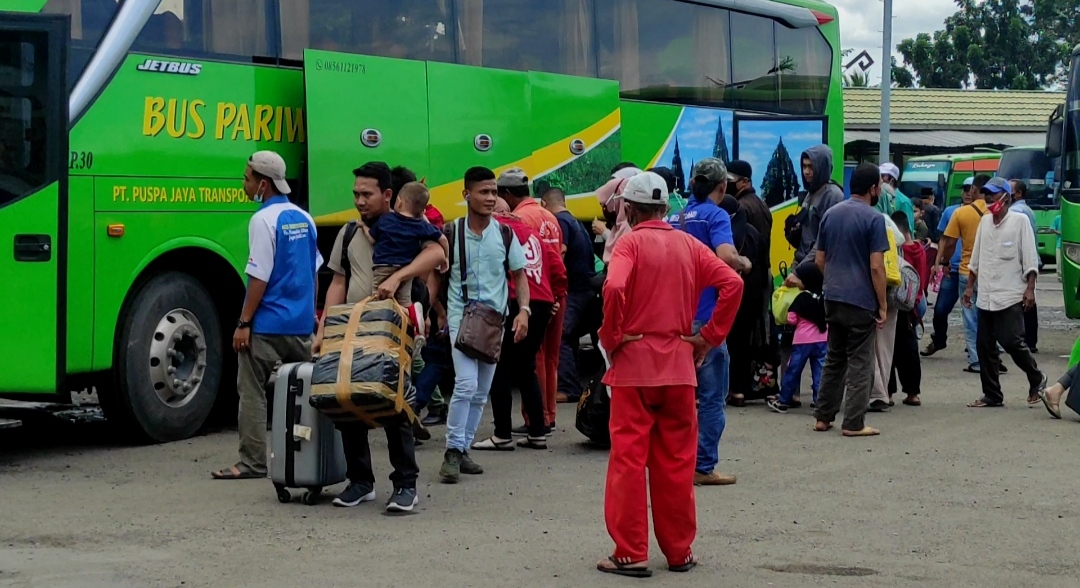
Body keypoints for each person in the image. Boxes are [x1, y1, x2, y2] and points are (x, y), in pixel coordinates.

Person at [596, 172, 743, 578]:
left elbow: (613, 289)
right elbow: (732, 282)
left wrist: (613, 335)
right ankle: (679, 551)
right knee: (678, 462)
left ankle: (630, 552)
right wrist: (707, 337)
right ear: (665, 208)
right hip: (680, 365)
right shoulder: (689, 245)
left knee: (628, 461)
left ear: (629, 207)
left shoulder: (630, 243)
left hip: (635, 368)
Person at [317, 161, 445, 513]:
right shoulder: (348, 233)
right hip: (351, 330)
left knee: (395, 405)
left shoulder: (412, 225)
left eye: (367, 194)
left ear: (388, 195)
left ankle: (405, 485)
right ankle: (361, 481)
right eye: (356, 194)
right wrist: (322, 330)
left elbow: (437, 252)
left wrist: (398, 276)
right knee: (347, 403)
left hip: (390, 330)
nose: (359, 200)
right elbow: (337, 283)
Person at [212, 151, 322, 481]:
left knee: (252, 392)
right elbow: (313, 272)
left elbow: (259, 276)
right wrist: (310, 316)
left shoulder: (262, 220)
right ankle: (310, 459)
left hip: (268, 326)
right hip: (301, 325)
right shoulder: (304, 217)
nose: (243, 185)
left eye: (247, 179)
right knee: (306, 393)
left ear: (263, 184)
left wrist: (244, 323)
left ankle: (253, 462)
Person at [434, 167, 530, 484]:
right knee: (465, 384)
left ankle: (461, 451)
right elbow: (434, 274)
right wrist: (434, 310)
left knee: (481, 392)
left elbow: (519, 274)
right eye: (483, 192)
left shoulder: (505, 234)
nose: (491, 198)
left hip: (494, 324)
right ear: (466, 195)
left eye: (493, 192)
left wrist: (524, 311)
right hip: (462, 320)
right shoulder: (451, 232)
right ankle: (451, 451)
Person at [665, 158, 745, 485]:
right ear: (722, 187)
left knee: (678, 394)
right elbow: (726, 256)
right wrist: (744, 262)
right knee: (712, 396)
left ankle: (672, 460)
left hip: (674, 316)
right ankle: (703, 465)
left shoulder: (673, 217)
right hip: (705, 318)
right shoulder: (717, 215)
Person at [473, 198, 566, 451]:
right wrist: (556, 295)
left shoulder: (492, 230)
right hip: (543, 302)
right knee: (526, 368)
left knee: (500, 367)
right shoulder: (533, 233)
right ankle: (538, 432)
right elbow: (557, 267)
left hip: (513, 300)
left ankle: (502, 434)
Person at [813, 162, 889, 438]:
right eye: (879, 186)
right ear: (872, 189)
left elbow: (820, 259)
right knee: (859, 361)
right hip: (860, 300)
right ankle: (853, 422)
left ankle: (823, 417)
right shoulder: (874, 218)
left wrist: (834, 279)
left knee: (834, 357)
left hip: (832, 296)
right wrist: (882, 304)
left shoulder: (831, 214)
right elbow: (877, 267)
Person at [963, 177, 1046, 408]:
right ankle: (992, 395)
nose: (989, 198)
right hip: (986, 295)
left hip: (1010, 294)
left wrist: (1030, 290)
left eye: (993, 194)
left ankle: (1036, 377)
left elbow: (1030, 259)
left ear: (1006, 197)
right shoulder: (985, 222)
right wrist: (970, 287)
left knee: (1012, 341)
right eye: (986, 194)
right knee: (984, 347)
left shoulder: (1019, 222)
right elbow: (976, 259)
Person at [497, 168, 564, 432]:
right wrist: (558, 295)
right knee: (550, 358)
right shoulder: (548, 215)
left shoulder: (517, 221)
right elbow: (557, 259)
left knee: (530, 362)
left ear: (505, 194)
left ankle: (534, 420)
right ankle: (549, 415)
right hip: (551, 295)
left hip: (527, 296)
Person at [540, 187, 597, 405]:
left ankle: (568, 388)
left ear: (544, 204)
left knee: (561, 335)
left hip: (574, 289)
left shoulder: (559, 222)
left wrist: (553, 284)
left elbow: (559, 252)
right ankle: (571, 383)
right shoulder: (574, 222)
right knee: (570, 337)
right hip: (586, 288)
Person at [937, 174, 993, 373]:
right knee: (990, 316)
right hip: (991, 272)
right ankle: (992, 358)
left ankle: (976, 361)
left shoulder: (961, 213)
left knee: (970, 318)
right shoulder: (997, 212)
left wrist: (944, 262)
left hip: (966, 270)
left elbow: (950, 243)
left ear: (973, 190)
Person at [719, 194, 771, 406]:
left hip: (724, 294)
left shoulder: (720, 234)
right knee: (743, 343)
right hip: (749, 295)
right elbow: (763, 264)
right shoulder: (753, 234)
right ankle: (739, 390)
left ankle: (722, 388)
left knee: (723, 342)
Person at [360, 182, 447, 306]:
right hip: (405, 267)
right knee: (404, 300)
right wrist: (447, 257)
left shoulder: (386, 219)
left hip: (382, 266)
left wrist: (363, 227)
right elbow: (443, 239)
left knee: (376, 297)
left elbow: (372, 239)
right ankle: (411, 313)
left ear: (399, 202)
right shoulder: (420, 226)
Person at [922, 175, 979, 358]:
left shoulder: (985, 213)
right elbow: (944, 240)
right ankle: (939, 339)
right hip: (952, 270)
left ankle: (979, 352)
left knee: (977, 315)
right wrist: (938, 264)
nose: (968, 193)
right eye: (965, 189)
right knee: (940, 311)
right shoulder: (951, 212)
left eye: (972, 189)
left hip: (974, 270)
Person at [768, 265, 827, 413]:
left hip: (802, 341)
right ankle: (820, 402)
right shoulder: (824, 297)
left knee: (793, 370)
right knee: (819, 371)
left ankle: (783, 400)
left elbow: (791, 318)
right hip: (822, 339)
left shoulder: (801, 298)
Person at [869, 212, 907, 412]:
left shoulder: (870, 226)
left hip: (875, 291)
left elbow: (875, 267)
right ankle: (883, 391)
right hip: (893, 290)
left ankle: (877, 394)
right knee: (885, 346)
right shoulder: (893, 234)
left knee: (868, 345)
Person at [888, 211, 925, 407]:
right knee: (910, 349)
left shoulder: (896, 250)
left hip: (896, 303)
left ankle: (889, 392)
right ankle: (913, 392)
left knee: (890, 349)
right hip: (914, 303)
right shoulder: (920, 250)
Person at [791, 144, 844, 268]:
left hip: (816, 267)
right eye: (804, 166)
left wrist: (799, 271)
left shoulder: (833, 196)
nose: (806, 172)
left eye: (811, 167)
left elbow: (825, 240)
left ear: (822, 167)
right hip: (801, 261)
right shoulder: (811, 192)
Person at [1010, 179, 1040, 353]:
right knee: (1028, 301)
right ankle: (1030, 340)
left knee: (1021, 301)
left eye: (1010, 190)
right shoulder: (1027, 209)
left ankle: (1023, 340)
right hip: (1028, 261)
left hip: (1020, 262)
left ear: (1018, 193)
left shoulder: (1017, 212)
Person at [728, 159, 772, 255]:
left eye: (729, 180)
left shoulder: (740, 207)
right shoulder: (761, 204)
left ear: (744, 181)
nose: (726, 183)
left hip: (748, 266)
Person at [878, 163, 915, 233]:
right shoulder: (878, 197)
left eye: (883, 176)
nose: (880, 179)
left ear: (892, 179)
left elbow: (908, 230)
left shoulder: (903, 201)